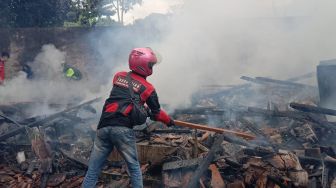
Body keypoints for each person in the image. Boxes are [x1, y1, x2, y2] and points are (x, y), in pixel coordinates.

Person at [82, 47, 174, 188]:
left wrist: (142, 107)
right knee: (134, 169)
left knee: (93, 170)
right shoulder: (148, 88)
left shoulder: (118, 76)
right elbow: (157, 113)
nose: (152, 67)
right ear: (144, 66)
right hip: (122, 129)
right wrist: (168, 121)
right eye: (151, 64)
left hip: (103, 126)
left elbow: (123, 98)